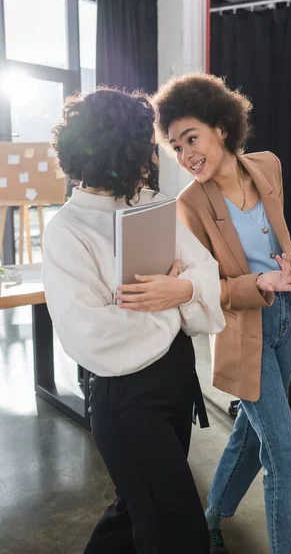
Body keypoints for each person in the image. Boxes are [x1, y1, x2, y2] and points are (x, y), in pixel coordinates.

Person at [42, 87, 226, 554]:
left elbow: (204, 272)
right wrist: (177, 306)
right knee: (179, 531)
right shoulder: (67, 230)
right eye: (144, 143)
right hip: (127, 401)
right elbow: (91, 334)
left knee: (137, 508)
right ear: (117, 147)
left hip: (176, 381)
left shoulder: (150, 203)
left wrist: (179, 290)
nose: (153, 154)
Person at [153, 73, 291, 554]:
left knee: (254, 438)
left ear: (222, 128)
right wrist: (260, 283)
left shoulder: (267, 167)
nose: (186, 154)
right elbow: (206, 289)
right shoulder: (189, 204)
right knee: (285, 457)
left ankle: (211, 516)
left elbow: (281, 244)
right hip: (240, 332)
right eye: (176, 146)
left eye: (192, 137)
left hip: (286, 324)